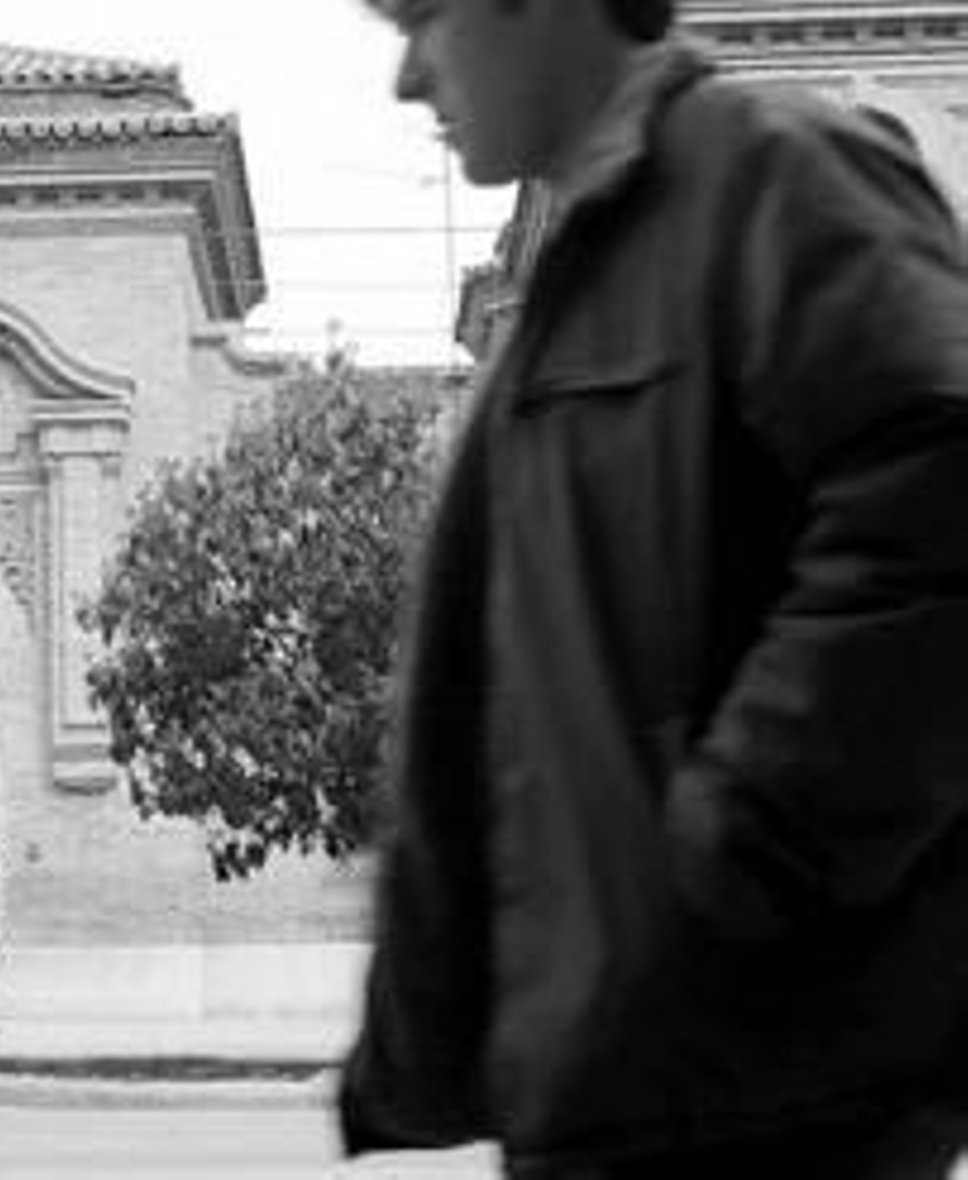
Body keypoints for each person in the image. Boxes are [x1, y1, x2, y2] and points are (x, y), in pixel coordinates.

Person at [338, 0, 968, 1177]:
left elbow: (935, 506)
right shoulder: (571, 287)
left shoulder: (776, 171)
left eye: (423, 19)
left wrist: (740, 856)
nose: (408, 81)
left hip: (766, 1097)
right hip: (608, 1087)